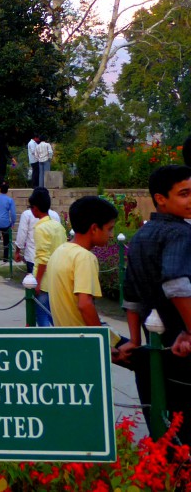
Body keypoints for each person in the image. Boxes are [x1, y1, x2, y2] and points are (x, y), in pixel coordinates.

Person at [121, 165, 191, 445]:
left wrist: (135, 340)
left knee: (162, 432)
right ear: (161, 199)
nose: (190, 200)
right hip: (181, 348)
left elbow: (132, 294)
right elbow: (176, 285)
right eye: (184, 194)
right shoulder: (180, 233)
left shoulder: (141, 236)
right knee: (183, 432)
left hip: (152, 349)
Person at [44, 197, 120, 343]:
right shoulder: (84, 257)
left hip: (66, 340)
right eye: (109, 229)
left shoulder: (60, 251)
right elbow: (85, 305)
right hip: (84, 341)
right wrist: (103, 343)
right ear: (94, 229)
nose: (111, 235)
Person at [31, 187, 67, 327]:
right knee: (55, 317)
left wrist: (37, 282)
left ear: (35, 208)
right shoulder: (58, 226)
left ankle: (48, 345)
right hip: (58, 278)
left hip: (44, 280)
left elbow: (43, 258)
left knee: (42, 317)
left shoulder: (41, 228)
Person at [14, 198, 61, 281]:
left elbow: (22, 234)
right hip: (53, 259)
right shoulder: (55, 216)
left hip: (34, 257)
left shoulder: (30, 218)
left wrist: (18, 251)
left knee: (33, 285)